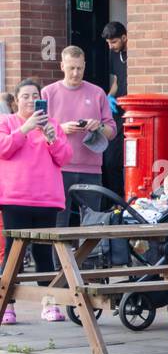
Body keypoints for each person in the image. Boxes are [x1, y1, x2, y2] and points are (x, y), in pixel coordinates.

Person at [0, 79, 72, 323]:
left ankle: (49, 304)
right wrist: (25, 128)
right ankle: (6, 306)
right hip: (15, 198)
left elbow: (65, 157)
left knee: (44, 254)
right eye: (26, 96)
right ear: (16, 101)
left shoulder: (52, 125)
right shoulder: (6, 122)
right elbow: (3, 148)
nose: (31, 100)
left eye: (35, 96)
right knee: (13, 255)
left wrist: (52, 138)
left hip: (46, 199)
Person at [42, 46, 116, 227]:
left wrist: (98, 126)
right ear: (62, 66)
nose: (75, 73)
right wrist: (61, 128)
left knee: (92, 226)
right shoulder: (47, 93)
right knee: (58, 226)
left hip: (91, 170)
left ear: (85, 66)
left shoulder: (97, 93)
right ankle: (59, 249)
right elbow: (37, 131)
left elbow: (112, 131)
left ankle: (88, 249)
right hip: (58, 168)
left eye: (79, 68)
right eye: (71, 68)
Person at [101, 22, 128, 198]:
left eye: (114, 42)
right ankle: (115, 200)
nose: (111, 46)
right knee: (110, 159)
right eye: (108, 43)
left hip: (131, 110)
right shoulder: (114, 54)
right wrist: (108, 97)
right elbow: (117, 81)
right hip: (117, 110)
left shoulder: (135, 54)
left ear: (124, 38)